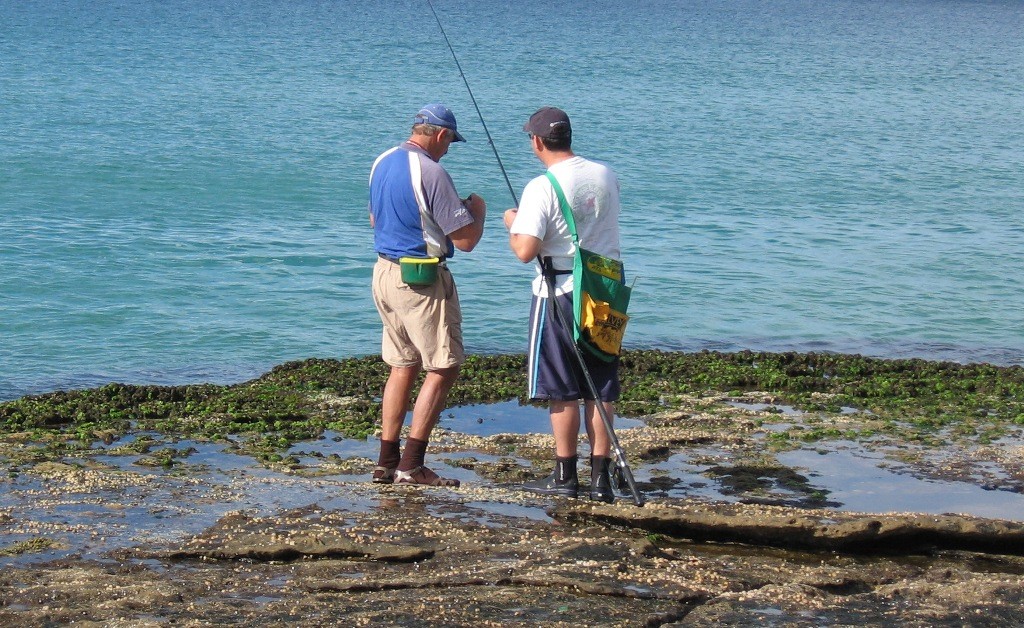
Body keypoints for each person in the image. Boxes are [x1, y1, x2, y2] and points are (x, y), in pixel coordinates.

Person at [502, 106, 623, 503]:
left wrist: (511, 222)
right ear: (568, 136)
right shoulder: (605, 174)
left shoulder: (542, 185)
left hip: (560, 292)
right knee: (601, 385)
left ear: (537, 142)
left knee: (563, 388)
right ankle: (601, 479)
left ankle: (564, 474)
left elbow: (525, 250)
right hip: (604, 289)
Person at [368, 103, 486, 487]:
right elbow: (465, 240)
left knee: (402, 365)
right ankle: (412, 464)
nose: (449, 148)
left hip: (384, 272)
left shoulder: (382, 161)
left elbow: (376, 218)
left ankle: (386, 461)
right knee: (443, 366)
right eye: (450, 140)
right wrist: (477, 211)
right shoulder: (432, 172)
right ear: (439, 134)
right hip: (420, 280)